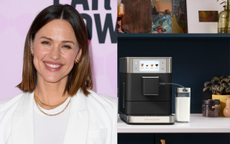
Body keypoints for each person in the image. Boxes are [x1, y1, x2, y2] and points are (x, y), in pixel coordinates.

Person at [0, 4, 117, 144]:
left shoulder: (110, 111)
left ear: (79, 54)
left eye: (66, 46)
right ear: (32, 46)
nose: (54, 55)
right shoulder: (3, 115)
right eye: (46, 43)